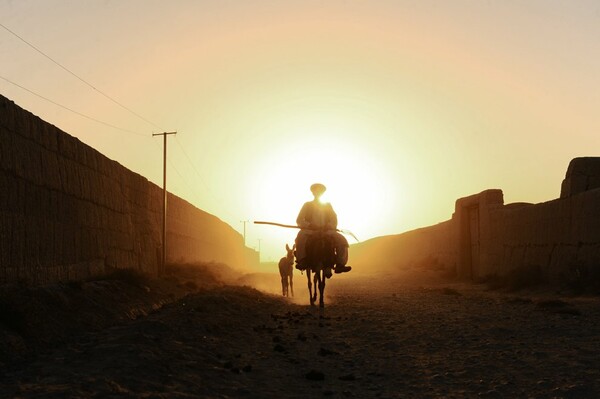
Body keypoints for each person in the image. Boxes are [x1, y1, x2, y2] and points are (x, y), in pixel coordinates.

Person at [295, 183, 352, 274]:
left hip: (326, 231)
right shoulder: (307, 205)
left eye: (320, 191)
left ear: (322, 193)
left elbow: (334, 219)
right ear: (313, 193)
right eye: (316, 191)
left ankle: (340, 264)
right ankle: (302, 260)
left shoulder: (327, 205)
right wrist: (309, 225)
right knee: (300, 237)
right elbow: (299, 219)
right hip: (310, 231)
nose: (318, 193)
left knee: (342, 240)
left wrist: (329, 226)